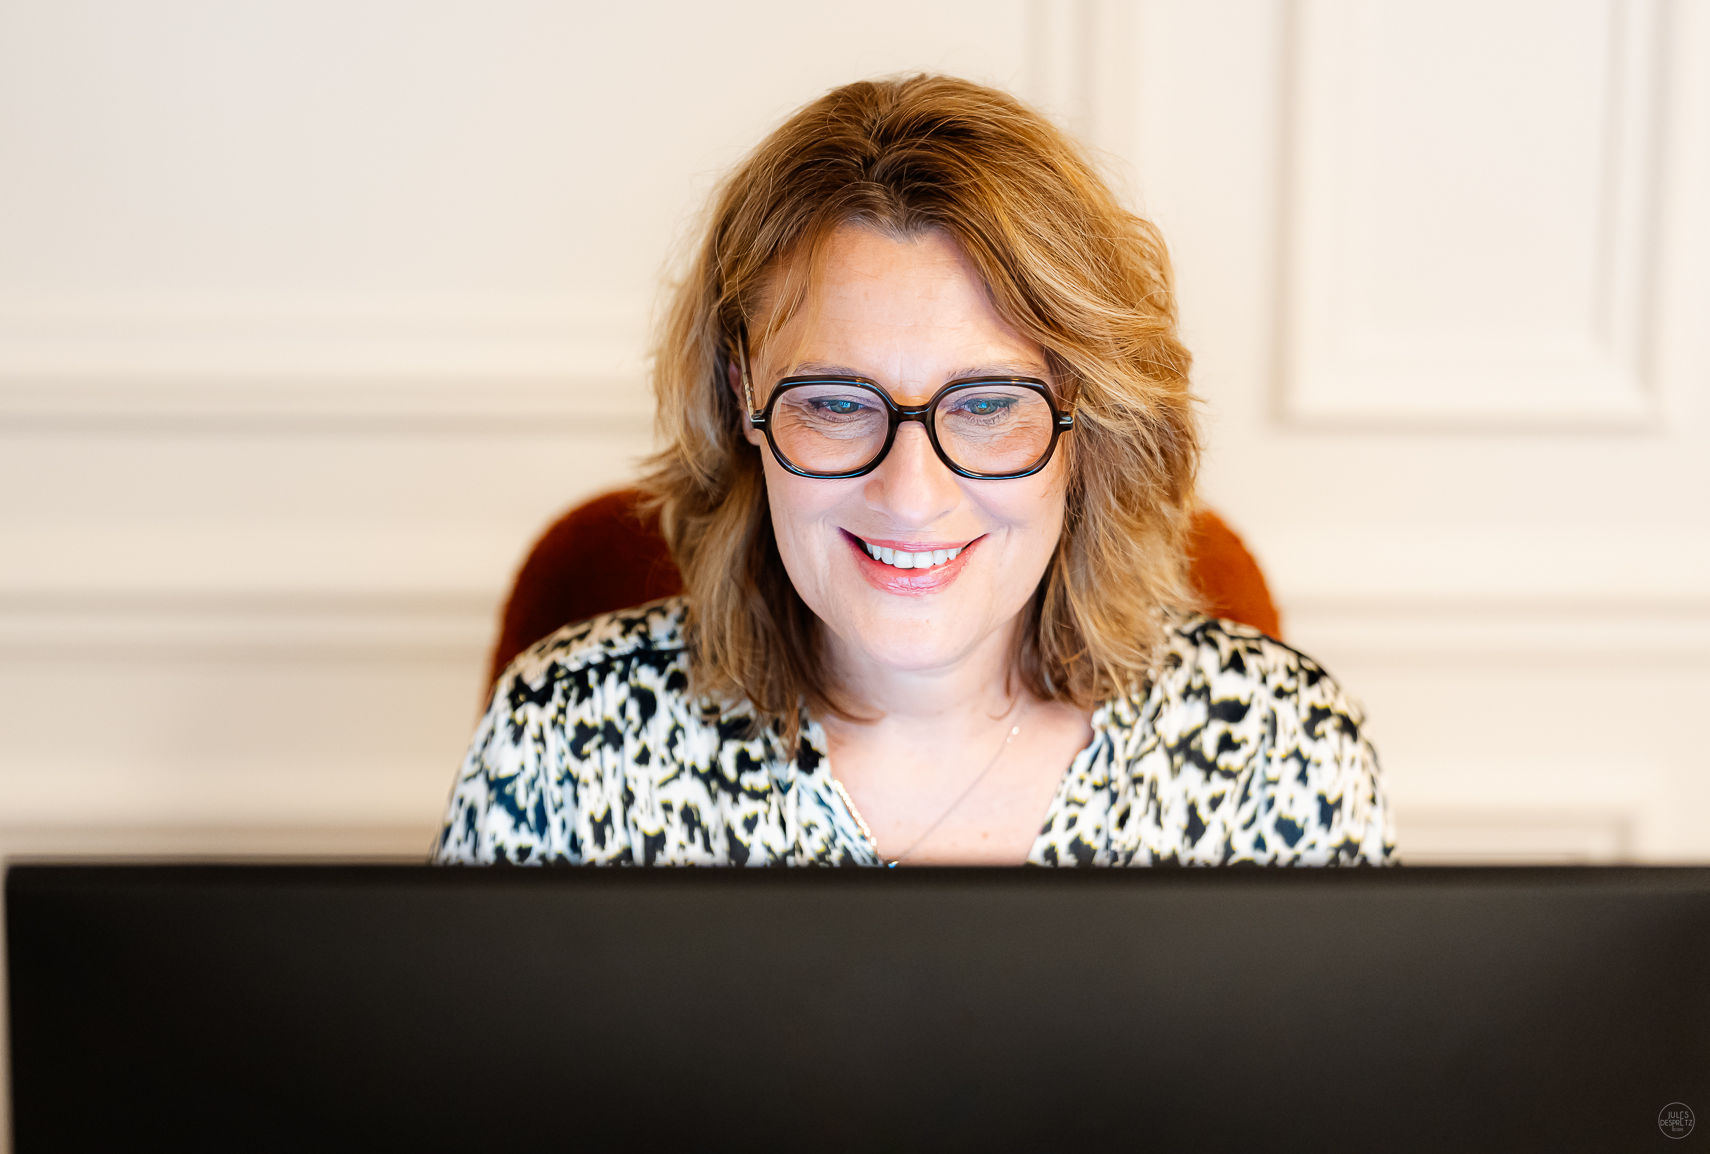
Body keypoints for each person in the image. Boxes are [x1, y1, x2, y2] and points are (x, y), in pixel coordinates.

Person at [435, 75, 1394, 867]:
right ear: (743, 394)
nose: (910, 493)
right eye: (834, 403)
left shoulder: (1280, 752)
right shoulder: (562, 744)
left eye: (984, 405)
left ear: (1085, 415)